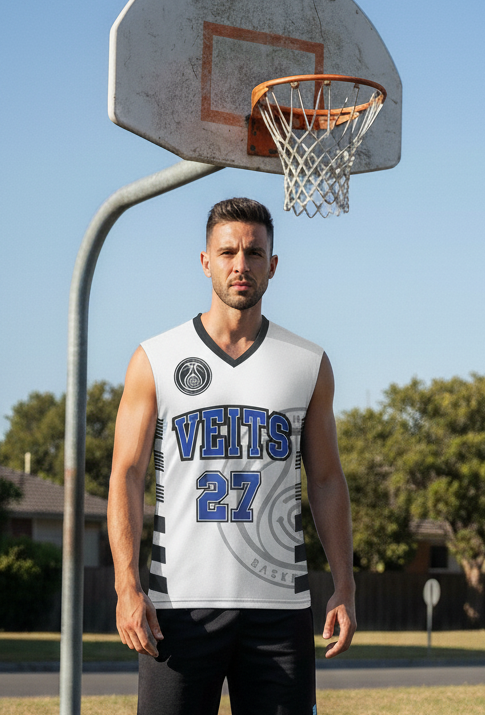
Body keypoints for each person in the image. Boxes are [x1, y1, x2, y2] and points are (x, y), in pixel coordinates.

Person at [107, 198, 356, 715]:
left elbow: (327, 480)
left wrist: (345, 585)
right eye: (227, 253)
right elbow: (126, 474)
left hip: (279, 610)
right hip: (178, 608)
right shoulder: (156, 358)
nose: (240, 264)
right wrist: (126, 584)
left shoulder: (308, 362)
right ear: (206, 262)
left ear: (273, 265)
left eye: (254, 252)